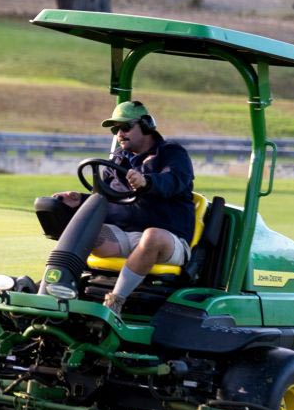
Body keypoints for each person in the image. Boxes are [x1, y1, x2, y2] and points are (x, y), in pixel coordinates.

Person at [54, 100, 194, 314]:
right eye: (116, 129)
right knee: (82, 228)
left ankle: (115, 301)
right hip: (124, 236)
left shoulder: (172, 153)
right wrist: (79, 200)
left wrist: (147, 182)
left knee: (151, 236)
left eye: (126, 127)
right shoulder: (119, 160)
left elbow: (173, 181)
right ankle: (58, 288)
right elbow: (108, 197)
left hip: (167, 240)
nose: (120, 133)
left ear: (146, 125)